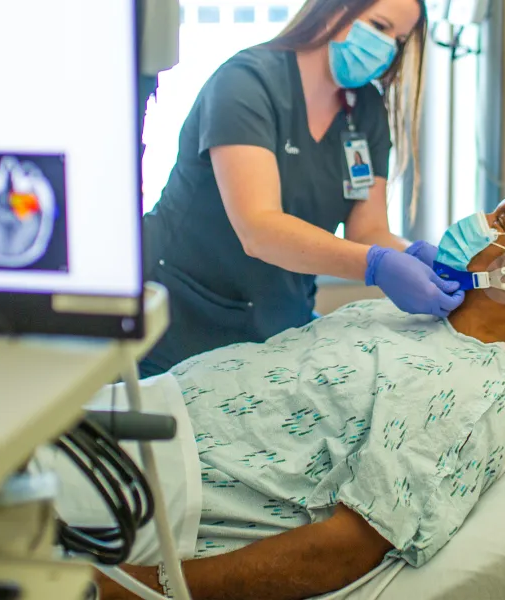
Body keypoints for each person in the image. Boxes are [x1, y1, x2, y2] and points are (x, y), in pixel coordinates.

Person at [72, 185, 505, 600]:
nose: (477, 222)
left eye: (500, 222)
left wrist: (151, 587)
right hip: (143, 410)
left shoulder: (467, 389)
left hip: (157, 483)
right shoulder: (417, 314)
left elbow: (346, 548)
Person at [140, 0, 465, 378]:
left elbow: (368, 231)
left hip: (274, 326)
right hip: (177, 317)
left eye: (399, 39)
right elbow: (259, 229)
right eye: (379, 26)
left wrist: (416, 256)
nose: (386, 47)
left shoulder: (366, 112)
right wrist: (376, 265)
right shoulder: (245, 83)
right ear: (333, 9)